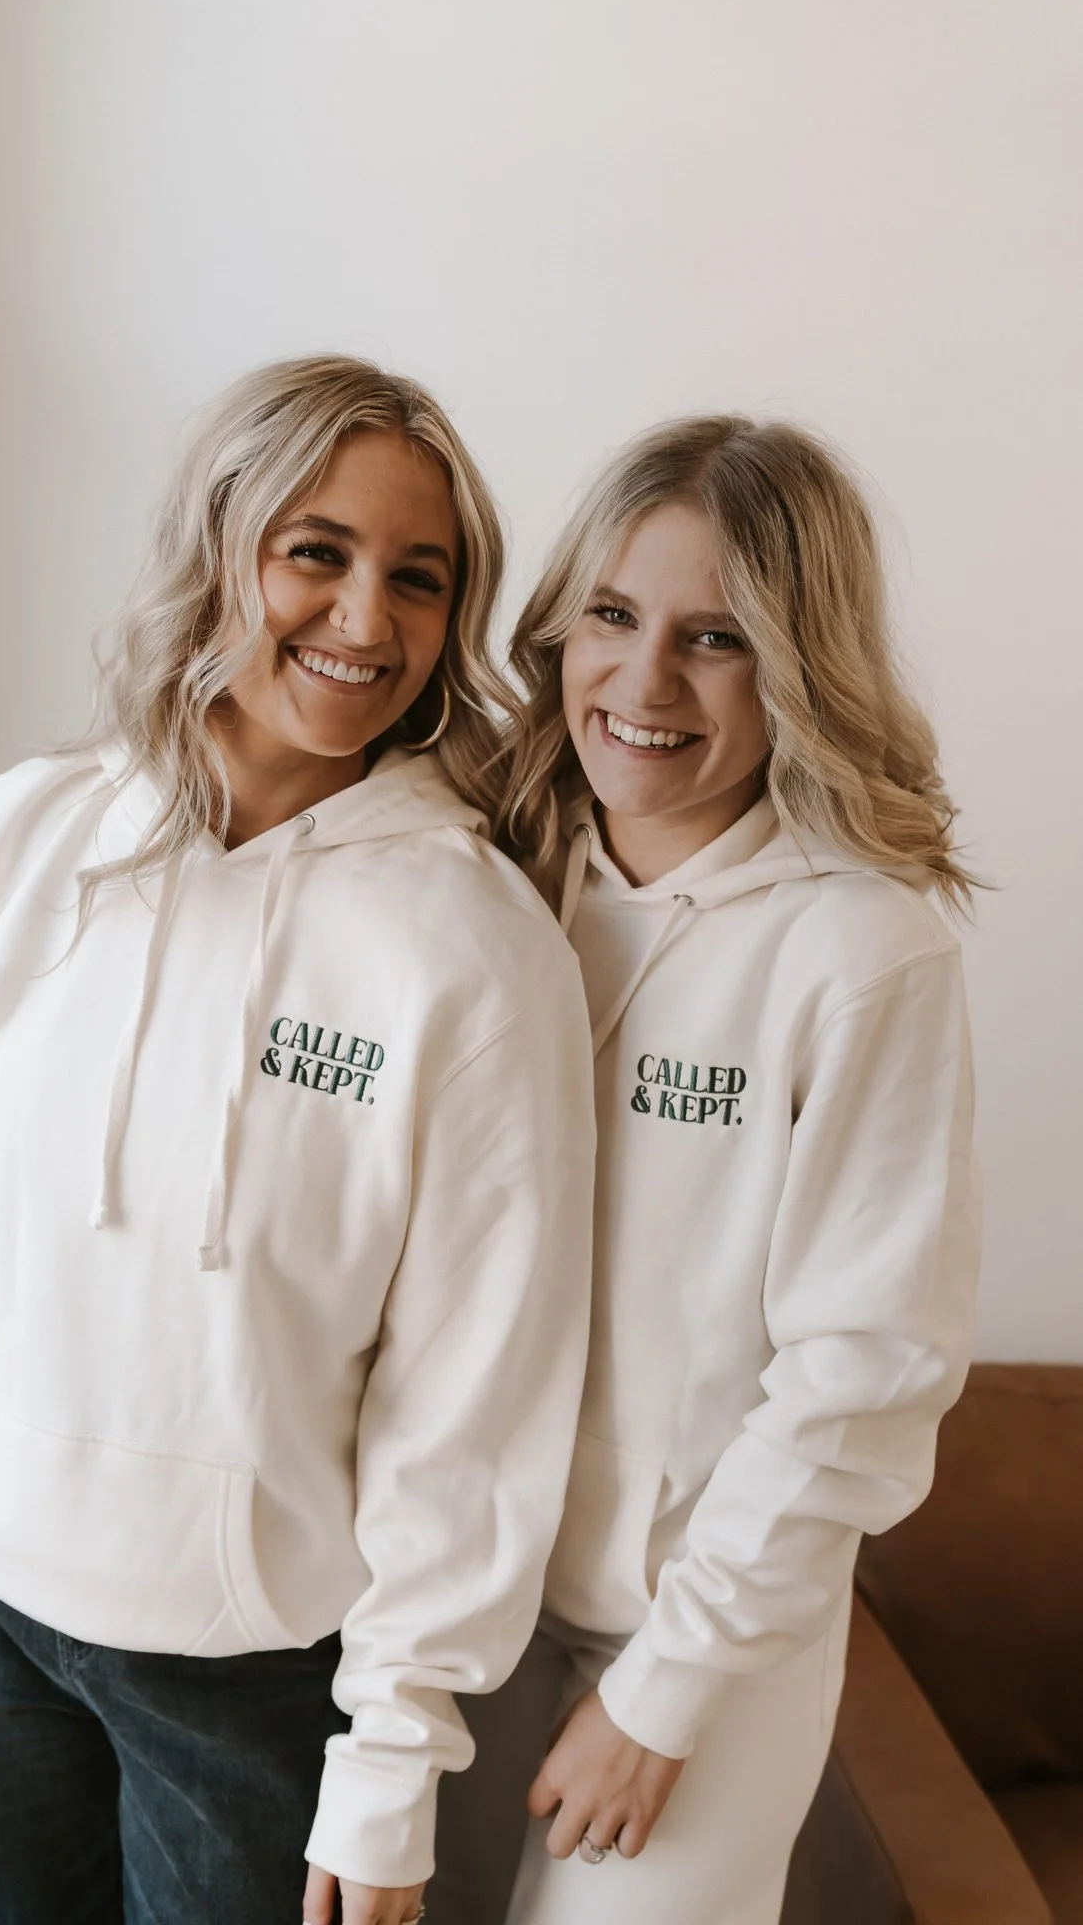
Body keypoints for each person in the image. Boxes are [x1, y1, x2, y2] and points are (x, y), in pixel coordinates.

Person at [0, 355, 595, 1925]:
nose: (366, 619)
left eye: (417, 580)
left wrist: (395, 1757)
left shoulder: (476, 949)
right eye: (318, 551)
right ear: (219, 546)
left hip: (245, 1670)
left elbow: (477, 1399)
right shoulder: (16, 837)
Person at [428, 414, 980, 1925]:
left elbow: (862, 1377)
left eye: (718, 638)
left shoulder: (863, 954)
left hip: (693, 1642)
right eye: (614, 615)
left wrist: (663, 1695)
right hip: (442, 1608)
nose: (646, 683)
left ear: (798, 667)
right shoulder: (481, 873)